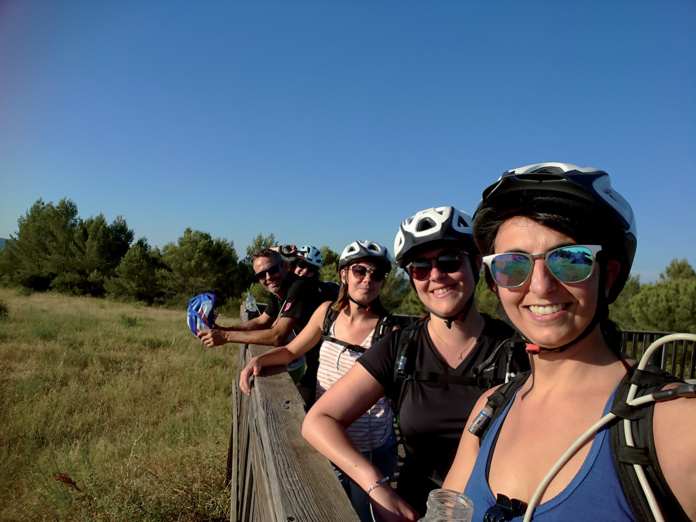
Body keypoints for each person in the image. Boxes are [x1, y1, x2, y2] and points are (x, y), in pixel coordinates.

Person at [442, 163, 696, 521]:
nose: (541, 285)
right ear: (495, 282)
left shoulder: (672, 424)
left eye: (570, 260)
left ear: (606, 278)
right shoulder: (490, 409)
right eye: (513, 265)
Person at [302, 206, 528, 520]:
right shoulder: (399, 346)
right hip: (416, 507)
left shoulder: (515, 350)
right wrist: (376, 485)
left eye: (450, 260)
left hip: (495, 508)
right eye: (420, 268)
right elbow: (318, 420)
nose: (436, 275)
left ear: (477, 264)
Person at [240, 240, 398, 522]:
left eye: (377, 274)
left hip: (369, 449)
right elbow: (291, 349)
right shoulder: (328, 313)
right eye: (359, 270)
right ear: (343, 275)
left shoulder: (390, 330)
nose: (368, 279)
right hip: (328, 442)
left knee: (361, 516)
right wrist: (259, 360)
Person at [198, 248, 331, 380]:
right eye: (261, 275)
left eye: (272, 270)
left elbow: (277, 336)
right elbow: (261, 321)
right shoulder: (279, 289)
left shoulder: (298, 287)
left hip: (332, 358)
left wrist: (226, 336)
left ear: (285, 266)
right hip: (318, 359)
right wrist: (223, 329)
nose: (268, 277)